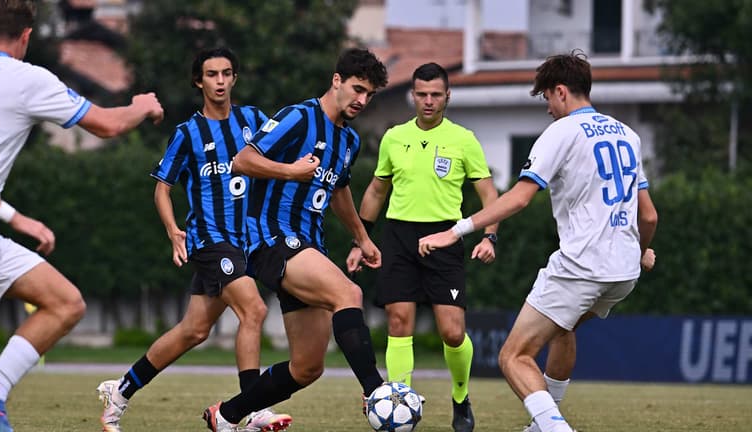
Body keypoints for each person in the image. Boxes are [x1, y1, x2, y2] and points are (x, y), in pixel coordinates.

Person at [418, 49, 658, 432]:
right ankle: (542, 423)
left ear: (561, 91)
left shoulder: (561, 132)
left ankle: (554, 427)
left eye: (547, 97)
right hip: (624, 272)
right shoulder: (627, 133)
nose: (547, 108)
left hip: (582, 266)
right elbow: (649, 215)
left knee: (513, 356)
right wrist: (644, 249)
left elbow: (519, 197)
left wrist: (456, 230)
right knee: (562, 330)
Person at [0, 1, 163, 431]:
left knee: (64, 302)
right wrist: (142, 106)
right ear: (26, 36)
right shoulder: (27, 78)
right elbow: (106, 123)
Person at [95, 47, 290, 432]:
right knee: (254, 310)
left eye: (226, 73)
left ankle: (121, 390)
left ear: (234, 78)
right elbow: (161, 189)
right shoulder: (188, 134)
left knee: (193, 331)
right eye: (211, 74)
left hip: (244, 243)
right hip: (209, 240)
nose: (219, 81)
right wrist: (172, 231)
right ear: (198, 81)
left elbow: (280, 154)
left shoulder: (253, 120)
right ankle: (249, 408)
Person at [202, 47, 389, 432]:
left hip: (308, 245)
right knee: (349, 295)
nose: (362, 100)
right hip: (273, 238)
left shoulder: (349, 141)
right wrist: (290, 171)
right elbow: (242, 160)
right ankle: (378, 395)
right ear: (336, 80)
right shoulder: (299, 117)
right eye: (357, 89)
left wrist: (361, 239)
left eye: (369, 95)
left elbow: (338, 191)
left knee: (307, 366)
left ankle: (226, 416)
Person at [347, 62, 499, 432]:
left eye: (435, 94)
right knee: (399, 323)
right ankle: (402, 405)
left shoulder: (464, 139)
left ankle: (460, 398)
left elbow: (488, 194)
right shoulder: (394, 137)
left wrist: (490, 235)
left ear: (447, 96)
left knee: (452, 331)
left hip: (446, 238)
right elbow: (376, 190)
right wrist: (361, 240)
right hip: (399, 237)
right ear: (412, 95)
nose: (428, 101)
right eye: (421, 94)